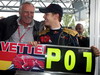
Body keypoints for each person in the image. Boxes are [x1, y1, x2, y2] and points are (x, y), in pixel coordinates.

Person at [30, 4, 100, 57]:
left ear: (56, 16)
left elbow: (81, 53)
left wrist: (92, 51)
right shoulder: (41, 34)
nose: (44, 16)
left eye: (46, 14)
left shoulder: (71, 35)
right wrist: (32, 47)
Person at [0, 1, 44, 75]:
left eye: (32, 12)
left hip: (28, 68)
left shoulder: (39, 27)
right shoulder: (9, 23)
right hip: (8, 65)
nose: (29, 15)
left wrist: (38, 45)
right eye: (26, 12)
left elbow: (44, 46)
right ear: (20, 12)